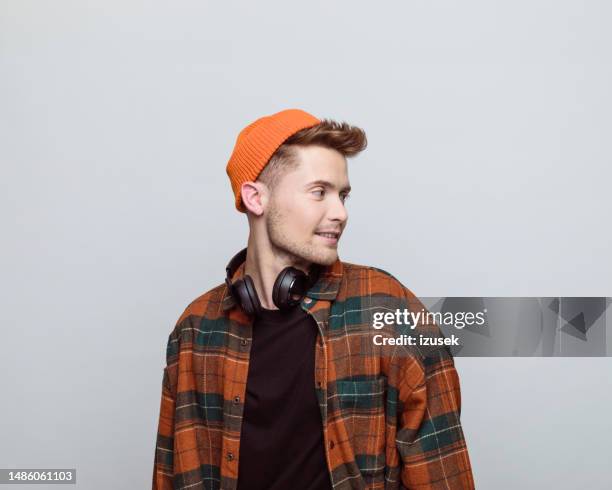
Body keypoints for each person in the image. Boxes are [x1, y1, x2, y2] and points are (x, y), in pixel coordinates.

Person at [152, 108, 475, 490]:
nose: (339, 213)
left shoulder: (388, 309)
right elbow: (171, 474)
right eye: (319, 192)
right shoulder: (195, 328)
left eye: (343, 196)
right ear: (256, 198)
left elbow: (442, 472)